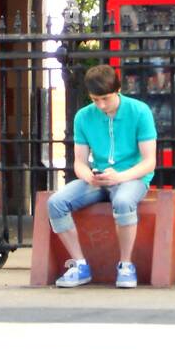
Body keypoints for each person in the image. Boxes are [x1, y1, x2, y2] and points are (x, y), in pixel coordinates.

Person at [48, 64, 158, 288]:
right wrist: (89, 176)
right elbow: (79, 162)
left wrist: (120, 177)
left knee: (124, 200)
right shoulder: (83, 117)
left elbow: (149, 162)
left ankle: (126, 265)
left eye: (105, 98)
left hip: (132, 177)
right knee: (56, 203)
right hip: (98, 179)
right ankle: (79, 265)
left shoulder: (139, 111)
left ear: (118, 90)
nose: (100, 105)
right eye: (95, 99)